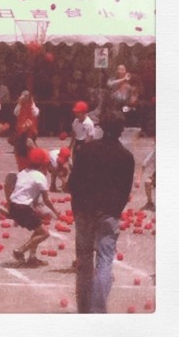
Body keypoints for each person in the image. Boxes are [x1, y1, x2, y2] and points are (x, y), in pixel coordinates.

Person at [67, 115, 135, 313]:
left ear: (102, 129)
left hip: (84, 210)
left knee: (85, 259)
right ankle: (97, 309)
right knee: (105, 260)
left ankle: (84, 308)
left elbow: (73, 183)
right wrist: (115, 211)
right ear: (121, 131)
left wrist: (76, 208)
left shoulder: (86, 150)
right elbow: (125, 190)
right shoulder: (126, 156)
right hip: (109, 212)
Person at [9, 147, 60, 267]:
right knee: (44, 233)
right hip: (23, 208)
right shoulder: (40, 177)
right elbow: (46, 200)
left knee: (38, 229)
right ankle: (20, 250)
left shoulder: (23, 172)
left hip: (14, 205)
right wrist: (55, 211)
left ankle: (32, 257)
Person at [136, 146, 156, 211]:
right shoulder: (154, 153)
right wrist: (138, 179)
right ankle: (149, 203)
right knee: (147, 182)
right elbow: (143, 165)